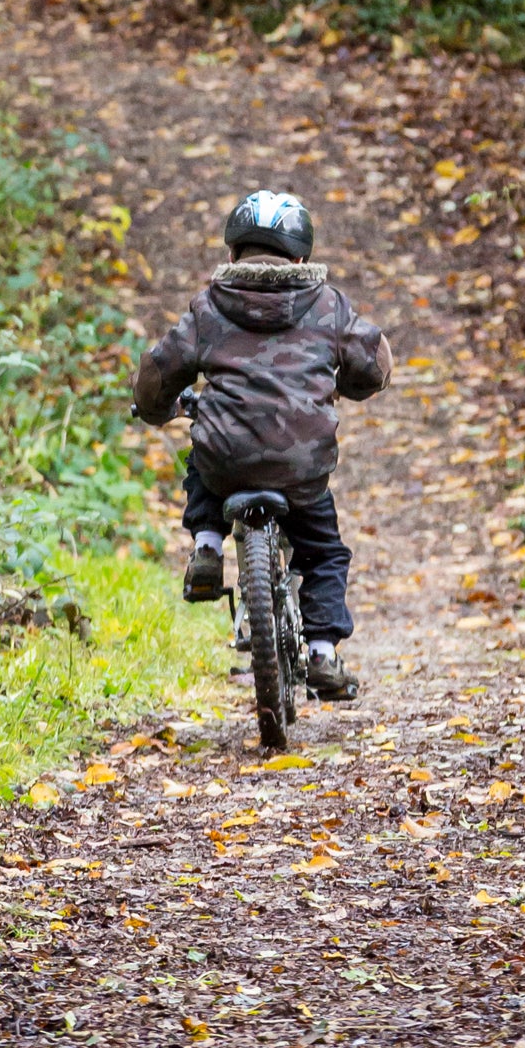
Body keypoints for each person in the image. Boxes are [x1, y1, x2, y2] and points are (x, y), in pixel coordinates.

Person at [131, 187, 392, 703]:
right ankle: (322, 652)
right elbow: (374, 364)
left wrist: (158, 409)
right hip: (302, 467)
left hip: (227, 464)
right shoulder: (328, 306)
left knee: (206, 454)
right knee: (324, 554)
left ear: (232, 255)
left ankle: (207, 548)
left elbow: (159, 371)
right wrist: (350, 387)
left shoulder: (208, 309)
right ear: (301, 258)